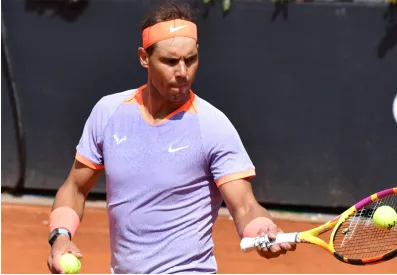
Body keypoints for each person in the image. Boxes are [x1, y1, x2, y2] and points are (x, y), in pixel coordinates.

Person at [46, 2, 295, 274]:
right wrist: (60, 237)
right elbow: (75, 188)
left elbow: (245, 205)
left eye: (190, 60)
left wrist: (262, 229)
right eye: (170, 61)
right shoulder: (108, 113)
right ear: (144, 57)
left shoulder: (212, 126)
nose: (182, 72)